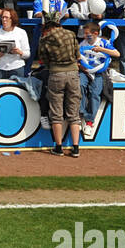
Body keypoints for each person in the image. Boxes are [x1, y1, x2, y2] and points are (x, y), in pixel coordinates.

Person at [35, 13, 82, 156]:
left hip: (55, 74)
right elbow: (77, 55)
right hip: (73, 74)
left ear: (47, 26)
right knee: (73, 113)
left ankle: (59, 147)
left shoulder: (44, 39)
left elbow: (42, 60)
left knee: (56, 113)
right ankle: (75, 148)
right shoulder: (71, 34)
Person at [78, 21, 119, 126]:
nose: (85, 35)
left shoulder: (103, 43)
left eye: (87, 33)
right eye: (84, 33)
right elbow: (76, 58)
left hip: (99, 71)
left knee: (95, 92)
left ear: (95, 33)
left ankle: (90, 120)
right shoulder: (82, 44)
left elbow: (117, 54)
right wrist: (80, 65)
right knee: (80, 85)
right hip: (85, 71)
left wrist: (101, 49)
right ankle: (80, 112)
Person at [0, 8, 32, 87]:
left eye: (7, 17)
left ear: (12, 19)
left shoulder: (21, 32)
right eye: (3, 17)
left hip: (16, 68)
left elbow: (27, 54)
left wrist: (19, 52)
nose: (4, 20)